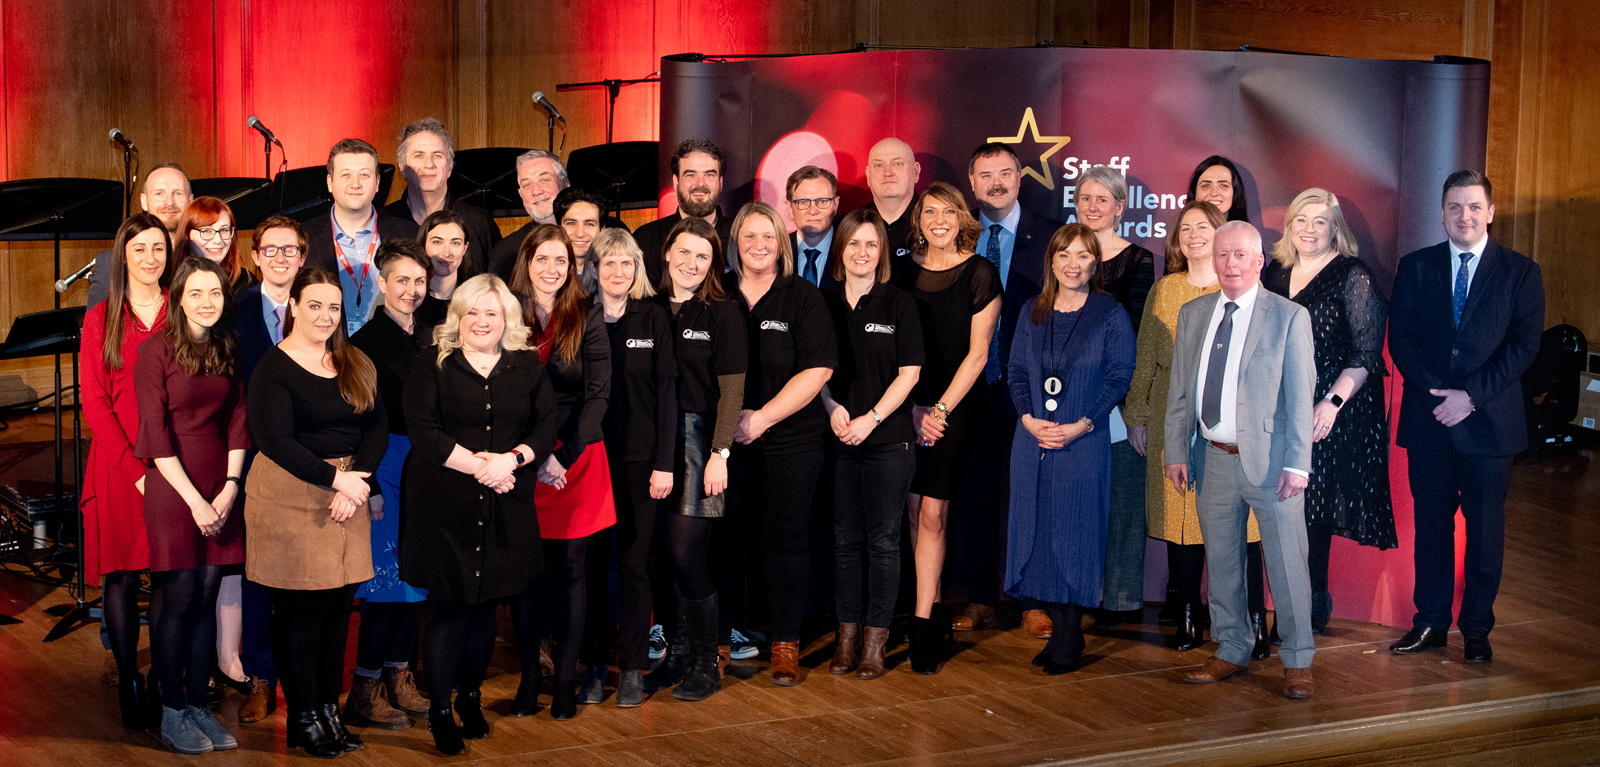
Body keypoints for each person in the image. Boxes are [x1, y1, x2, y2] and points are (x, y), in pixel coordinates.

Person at [1388, 170, 1544, 663]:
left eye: (1475, 206)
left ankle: (1477, 628)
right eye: (1455, 206)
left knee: (1484, 536)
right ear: (1442, 213)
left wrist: (1469, 397)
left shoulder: (1521, 272)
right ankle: (1430, 623)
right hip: (1429, 421)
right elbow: (1401, 339)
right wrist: (1439, 397)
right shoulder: (1416, 267)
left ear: (1490, 212)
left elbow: (1523, 347)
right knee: (1432, 530)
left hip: (1489, 425)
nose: (1464, 216)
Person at [400, 273, 556, 756]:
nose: (482, 321)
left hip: (505, 499)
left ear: (507, 318)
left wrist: (513, 460)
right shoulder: (433, 362)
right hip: (443, 504)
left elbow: (545, 425)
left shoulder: (526, 365)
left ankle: (470, 697)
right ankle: (439, 710)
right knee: (450, 605)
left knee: (486, 604)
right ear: (457, 317)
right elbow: (423, 429)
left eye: (492, 312)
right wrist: (485, 468)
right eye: (472, 312)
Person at [1163, 221, 1318, 700]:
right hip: (1213, 459)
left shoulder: (1289, 317)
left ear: (1259, 262)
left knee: (1288, 565)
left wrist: (1298, 464)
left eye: (1240, 255)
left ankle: (1298, 660)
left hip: (1273, 464)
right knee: (1224, 564)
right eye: (1222, 254)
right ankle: (1231, 648)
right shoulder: (1193, 314)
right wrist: (1176, 450)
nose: (1230, 264)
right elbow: (1181, 391)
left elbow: (1301, 396)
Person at [245, 266, 386, 756]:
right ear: (294, 308)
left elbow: (377, 426)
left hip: (350, 493)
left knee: (336, 613)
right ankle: (303, 719)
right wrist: (337, 480)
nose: (325, 316)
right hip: (294, 494)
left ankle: (329, 712)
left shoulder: (354, 361)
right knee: (301, 615)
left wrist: (357, 479)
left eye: (334, 307)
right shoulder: (273, 367)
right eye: (315, 305)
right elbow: (275, 441)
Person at [1125, 201, 1268, 655]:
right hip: (1171, 415)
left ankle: (1253, 622)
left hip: (1229, 423)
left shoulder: (1239, 288)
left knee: (1243, 529)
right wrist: (1136, 416)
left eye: (1203, 227)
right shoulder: (1164, 289)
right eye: (1185, 228)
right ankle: (1188, 617)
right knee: (1179, 521)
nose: (1193, 236)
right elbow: (1145, 358)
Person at [1263, 188, 1397, 634]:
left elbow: (1366, 352)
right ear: (1290, 226)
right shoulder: (1275, 272)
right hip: (1282, 403)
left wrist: (1331, 402)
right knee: (1284, 507)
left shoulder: (1352, 274)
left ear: (1335, 229)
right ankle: (1293, 602)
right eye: (1302, 220)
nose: (1310, 229)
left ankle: (1308, 605)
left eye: (1320, 221)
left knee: (1312, 510)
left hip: (1332, 410)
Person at [1006, 223, 1135, 674]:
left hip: (1083, 440)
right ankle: (1064, 632)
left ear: (1095, 263)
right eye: (1064, 255)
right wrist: (1028, 418)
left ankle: (1069, 634)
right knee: (1039, 531)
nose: (1073, 264)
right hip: (1034, 440)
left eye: (1082, 255)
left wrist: (1081, 424)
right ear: (1052, 262)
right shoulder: (1033, 310)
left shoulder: (1109, 313)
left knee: (1075, 532)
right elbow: (1016, 371)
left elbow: (1120, 377)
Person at [134, 256, 249, 753]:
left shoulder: (228, 345)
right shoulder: (154, 350)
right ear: (179, 298)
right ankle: (172, 709)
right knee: (179, 598)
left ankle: (199, 706)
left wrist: (230, 487)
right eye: (196, 293)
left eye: (215, 293)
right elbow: (154, 433)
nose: (207, 302)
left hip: (219, 482)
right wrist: (197, 503)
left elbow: (239, 418)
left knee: (206, 598)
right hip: (173, 485)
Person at [953, 142, 1063, 638]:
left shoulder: (1052, 236)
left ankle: (1032, 599)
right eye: (985, 175)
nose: (995, 183)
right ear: (971, 183)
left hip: (1032, 391)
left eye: (1004, 173)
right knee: (976, 496)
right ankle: (981, 598)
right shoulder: (957, 234)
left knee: (1031, 496)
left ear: (1020, 180)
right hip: (971, 387)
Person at [725, 201, 836, 687]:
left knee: (787, 540)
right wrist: (730, 425)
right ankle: (720, 640)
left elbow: (818, 370)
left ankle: (785, 643)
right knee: (727, 540)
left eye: (768, 236)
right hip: (724, 443)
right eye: (749, 236)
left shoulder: (803, 297)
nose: (759, 245)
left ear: (782, 244)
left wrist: (761, 418)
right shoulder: (717, 293)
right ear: (735, 243)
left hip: (791, 440)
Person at [892, 181, 999, 674]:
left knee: (934, 513)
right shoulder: (902, 272)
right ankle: (928, 608)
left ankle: (923, 628)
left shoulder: (981, 273)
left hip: (955, 406)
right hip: (905, 402)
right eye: (930, 212)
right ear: (919, 220)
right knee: (912, 512)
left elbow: (978, 355)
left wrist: (937, 412)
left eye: (948, 211)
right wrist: (913, 408)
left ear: (962, 219)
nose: (939, 220)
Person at [508, 225, 614, 720]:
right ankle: (531, 676)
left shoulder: (586, 315)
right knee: (529, 574)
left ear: (572, 268)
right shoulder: (506, 312)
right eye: (542, 259)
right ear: (526, 263)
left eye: (561, 261)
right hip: (522, 459)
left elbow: (598, 395)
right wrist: (529, 456)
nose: (551, 269)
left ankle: (567, 679)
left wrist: (563, 457)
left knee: (572, 569)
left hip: (577, 457)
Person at [643, 218, 745, 701]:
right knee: (662, 557)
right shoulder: (648, 307)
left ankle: (708, 662)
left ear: (714, 263)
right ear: (667, 253)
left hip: (700, 440)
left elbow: (732, 393)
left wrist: (720, 453)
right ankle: (678, 655)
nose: (691, 263)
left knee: (688, 555)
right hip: (651, 439)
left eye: (702, 256)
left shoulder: (723, 313)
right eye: (683, 252)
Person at [819, 209, 922, 680]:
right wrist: (831, 407)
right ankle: (847, 638)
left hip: (889, 441)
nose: (862, 252)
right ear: (840, 249)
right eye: (854, 243)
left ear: (882, 253)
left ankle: (875, 643)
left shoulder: (900, 303)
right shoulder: (822, 302)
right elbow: (813, 368)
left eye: (871, 244)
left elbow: (910, 374)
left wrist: (872, 419)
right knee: (844, 541)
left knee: (883, 542)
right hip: (839, 438)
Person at [81, 213, 171, 729]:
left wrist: (166, 466)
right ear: (123, 256)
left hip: (172, 464)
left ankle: (158, 677)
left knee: (167, 576)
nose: (149, 258)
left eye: (158, 248)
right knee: (120, 576)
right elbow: (94, 403)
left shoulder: (180, 310)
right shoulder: (102, 317)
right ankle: (129, 679)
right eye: (139, 249)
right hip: (118, 466)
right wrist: (133, 468)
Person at [582, 229, 678, 706]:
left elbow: (668, 394)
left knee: (636, 566)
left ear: (637, 269)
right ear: (594, 269)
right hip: (590, 460)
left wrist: (665, 463)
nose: (618, 272)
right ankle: (596, 665)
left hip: (642, 463)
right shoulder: (579, 316)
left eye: (627, 263)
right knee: (593, 567)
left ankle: (634, 668)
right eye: (609, 263)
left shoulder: (653, 317)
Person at [344, 240, 434, 730]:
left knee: (416, 581)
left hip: (428, 469)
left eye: (419, 280)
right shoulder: (364, 344)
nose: (411, 290)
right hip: (386, 469)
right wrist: (373, 484)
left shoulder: (432, 334)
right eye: (402, 280)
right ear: (381, 283)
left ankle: (400, 677)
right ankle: (364, 689)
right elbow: (361, 423)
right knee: (385, 586)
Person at [230, 216, 308, 723]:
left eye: (290, 250)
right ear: (255, 256)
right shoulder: (233, 310)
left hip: (311, 458)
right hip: (255, 457)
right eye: (271, 250)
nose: (281, 258)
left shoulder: (319, 305)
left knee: (303, 575)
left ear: (303, 256)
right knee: (257, 573)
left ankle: (304, 682)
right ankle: (261, 678)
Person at [1073, 165, 1154, 626]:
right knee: (1080, 501)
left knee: (1123, 499)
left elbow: (1137, 333)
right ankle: (1080, 593)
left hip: (1120, 397)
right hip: (1069, 398)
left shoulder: (1139, 260)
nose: (1093, 207)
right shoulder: (1065, 254)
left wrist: (1127, 398)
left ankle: (1119, 601)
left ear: (1120, 207)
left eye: (1103, 199)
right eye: (1085, 198)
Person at [304, 138, 420, 335]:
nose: (355, 184)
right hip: (325, 347)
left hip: (392, 346)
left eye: (364, 175)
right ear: (330, 182)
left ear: (377, 183)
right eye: (346, 175)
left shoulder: (410, 234)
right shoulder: (302, 237)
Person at [385, 117, 501, 281]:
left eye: (437, 155)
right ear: (402, 167)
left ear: (449, 166)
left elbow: (497, 286)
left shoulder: (480, 222)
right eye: (419, 155)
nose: (429, 164)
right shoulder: (380, 223)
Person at [631, 139, 734, 287]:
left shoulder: (738, 239)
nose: (700, 183)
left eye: (709, 175)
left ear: (720, 182)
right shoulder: (646, 239)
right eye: (690, 175)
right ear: (676, 182)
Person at [87, 164, 190, 309]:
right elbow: (96, 320)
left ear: (191, 201)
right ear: (144, 201)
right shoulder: (112, 262)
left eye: (178, 193)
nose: (169, 202)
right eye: (159, 194)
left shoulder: (202, 257)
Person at [488, 150, 570, 281]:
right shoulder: (506, 250)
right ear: (520, 194)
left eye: (544, 180)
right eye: (526, 185)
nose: (536, 191)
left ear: (565, 184)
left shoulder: (588, 236)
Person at [863, 138, 922, 275]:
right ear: (868, 175)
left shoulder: (937, 224)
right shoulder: (851, 225)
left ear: (915, 172)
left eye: (897, 164)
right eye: (878, 165)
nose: (888, 172)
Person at [176, 196, 256, 295]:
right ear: (187, 234)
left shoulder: (245, 283)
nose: (218, 240)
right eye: (206, 231)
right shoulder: (169, 281)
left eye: (224, 230)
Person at [414, 209, 471, 333]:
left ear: (465, 248)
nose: (446, 253)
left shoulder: (475, 299)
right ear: (423, 244)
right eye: (437, 242)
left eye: (455, 243)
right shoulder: (409, 298)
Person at [786, 165, 840, 290]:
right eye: (803, 202)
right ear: (789, 209)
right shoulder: (776, 253)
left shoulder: (853, 252)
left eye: (822, 201)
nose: (813, 211)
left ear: (835, 205)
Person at [1186, 156, 1250, 223]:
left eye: (1223, 186)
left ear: (1234, 192)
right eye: (1206, 185)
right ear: (1194, 191)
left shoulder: (1246, 229)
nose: (1214, 193)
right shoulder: (1180, 228)